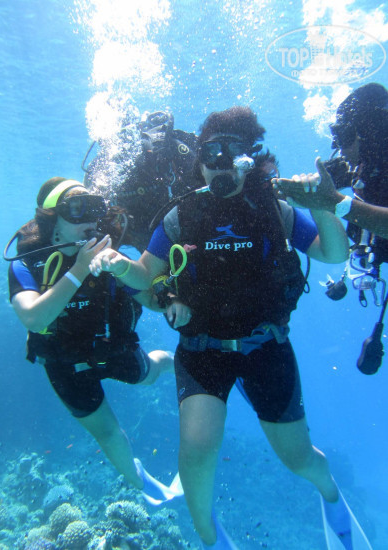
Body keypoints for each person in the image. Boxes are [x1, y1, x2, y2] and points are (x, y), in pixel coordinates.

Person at [88, 107, 372, 549]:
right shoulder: (180, 216)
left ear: (248, 159)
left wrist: (323, 206)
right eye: (210, 153)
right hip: (202, 349)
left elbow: (333, 254)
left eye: (232, 152)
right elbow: (145, 274)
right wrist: (118, 265)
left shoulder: (274, 208)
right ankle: (211, 538)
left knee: (298, 459)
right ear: (198, 162)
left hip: (266, 347)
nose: (220, 163)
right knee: (195, 454)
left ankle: (331, 494)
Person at [6, 177, 182, 505]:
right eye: (76, 209)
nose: (89, 220)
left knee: (149, 374)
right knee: (107, 433)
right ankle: (142, 484)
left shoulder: (109, 256)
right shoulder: (27, 263)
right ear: (51, 220)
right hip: (64, 363)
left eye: (94, 210)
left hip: (113, 347)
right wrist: (79, 269)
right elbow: (33, 318)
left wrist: (128, 270)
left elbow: (153, 301)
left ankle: (181, 365)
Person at [274, 83, 388, 239]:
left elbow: (328, 199)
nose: (338, 148)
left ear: (369, 134)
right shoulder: (355, 167)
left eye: (343, 136)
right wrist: (297, 190)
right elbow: (295, 190)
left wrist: (335, 203)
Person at [84, 110, 199, 252]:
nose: (121, 145)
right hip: (135, 233)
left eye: (125, 135)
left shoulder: (162, 151)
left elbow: (199, 183)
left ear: (137, 130)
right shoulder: (100, 170)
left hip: (174, 227)